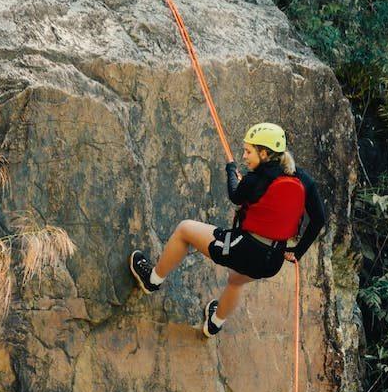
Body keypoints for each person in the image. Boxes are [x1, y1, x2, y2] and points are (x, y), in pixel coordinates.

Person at [129, 122, 326, 337]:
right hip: (272, 260)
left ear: (264, 153)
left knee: (184, 230)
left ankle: (152, 280)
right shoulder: (303, 179)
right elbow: (318, 219)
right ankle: (214, 324)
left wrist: (231, 171)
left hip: (243, 249)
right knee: (237, 280)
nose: (244, 156)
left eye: (248, 151)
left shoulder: (253, 179)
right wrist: (298, 251)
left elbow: (235, 195)